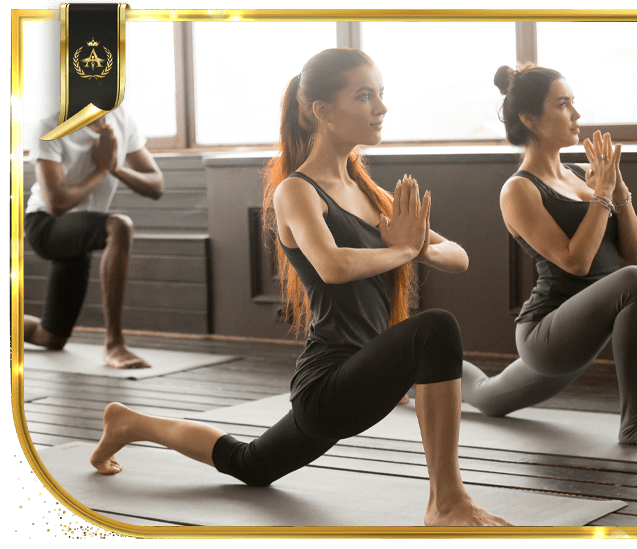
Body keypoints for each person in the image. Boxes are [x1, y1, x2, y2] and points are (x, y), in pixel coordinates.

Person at [89, 48, 512, 527]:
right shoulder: (297, 191)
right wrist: (402, 249)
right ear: (322, 111)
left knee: (250, 465)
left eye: (381, 95)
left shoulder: (373, 194)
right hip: (329, 385)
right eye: (365, 96)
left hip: (368, 376)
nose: (381, 108)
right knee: (435, 329)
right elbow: (331, 266)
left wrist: (415, 246)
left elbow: (458, 256)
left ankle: (128, 422)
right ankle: (448, 502)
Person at [460, 64, 637, 450]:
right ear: (530, 119)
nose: (576, 115)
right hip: (547, 337)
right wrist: (602, 194)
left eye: (573, 103)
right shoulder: (518, 190)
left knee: (484, 396)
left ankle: (415, 370)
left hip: (582, 332)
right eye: (563, 104)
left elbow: (632, 250)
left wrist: (618, 189)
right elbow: (576, 263)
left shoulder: (582, 174)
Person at [23, 106, 164, 369]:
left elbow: (156, 185)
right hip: (46, 226)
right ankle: (115, 344)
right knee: (119, 225)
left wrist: (114, 168)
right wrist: (101, 170)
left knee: (50, 337)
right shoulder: (50, 126)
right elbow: (56, 203)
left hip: (81, 235)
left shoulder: (121, 119)